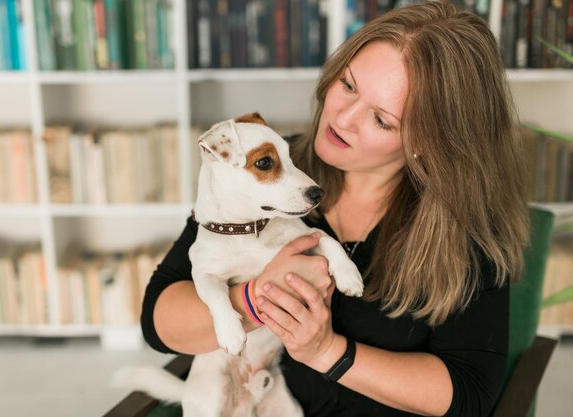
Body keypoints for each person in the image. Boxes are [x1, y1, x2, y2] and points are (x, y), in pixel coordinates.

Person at [140, 2, 530, 416]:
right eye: (347, 84)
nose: (342, 119)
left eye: (381, 119)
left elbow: (469, 394)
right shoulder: (265, 168)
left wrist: (328, 351)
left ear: (427, 141)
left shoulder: (464, 228)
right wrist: (254, 300)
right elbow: (158, 321)